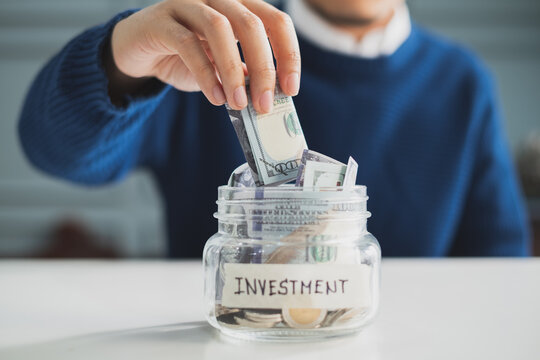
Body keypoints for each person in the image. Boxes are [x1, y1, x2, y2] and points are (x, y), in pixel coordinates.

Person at [18, 0, 530, 257]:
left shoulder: (464, 84)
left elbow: (500, 260)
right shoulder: (209, 56)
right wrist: (117, 58)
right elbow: (53, 151)